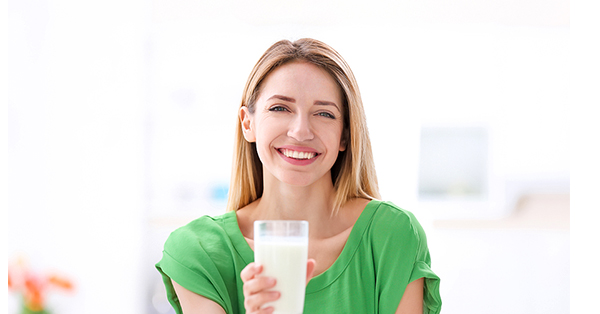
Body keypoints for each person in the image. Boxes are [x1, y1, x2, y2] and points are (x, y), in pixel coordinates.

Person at [156, 38, 442, 314]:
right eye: (280, 108)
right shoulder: (198, 251)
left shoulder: (392, 235)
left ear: (345, 135)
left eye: (324, 114)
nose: (301, 131)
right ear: (248, 123)